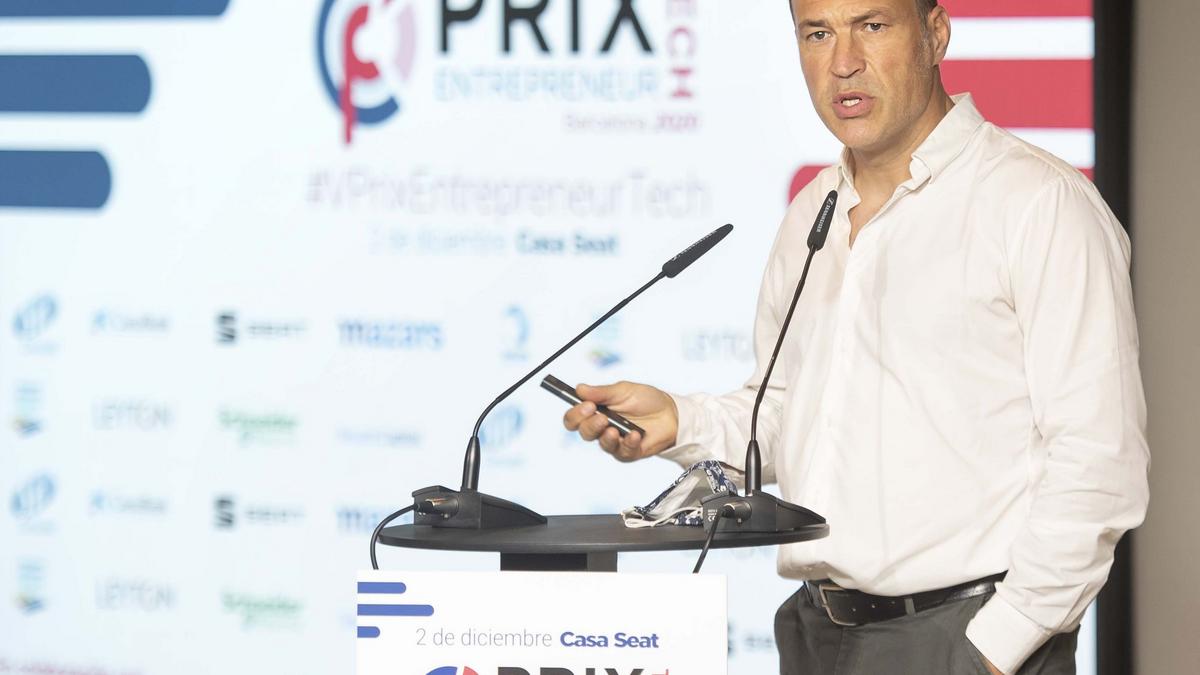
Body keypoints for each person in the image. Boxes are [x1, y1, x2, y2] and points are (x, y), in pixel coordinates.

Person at [562, 0, 1150, 673]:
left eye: (872, 26)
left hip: (963, 636)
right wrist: (679, 422)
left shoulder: (1038, 202)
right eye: (818, 33)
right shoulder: (812, 211)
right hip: (817, 632)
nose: (843, 63)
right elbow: (794, 417)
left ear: (935, 34)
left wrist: (999, 644)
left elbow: (1100, 460)